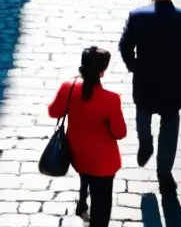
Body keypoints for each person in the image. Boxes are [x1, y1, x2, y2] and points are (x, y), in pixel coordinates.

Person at [119, 0, 181, 193]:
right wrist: (177, 60)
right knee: (170, 125)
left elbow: (124, 47)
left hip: (145, 79)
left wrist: (134, 66)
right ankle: (164, 173)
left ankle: (145, 143)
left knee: (143, 116)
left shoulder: (137, 16)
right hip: (173, 82)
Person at [48, 47, 126, 227]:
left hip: (77, 156)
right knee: (102, 206)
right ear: (102, 72)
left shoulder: (68, 88)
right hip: (103, 163)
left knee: (86, 175)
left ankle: (82, 201)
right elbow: (120, 133)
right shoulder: (111, 99)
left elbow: (53, 112)